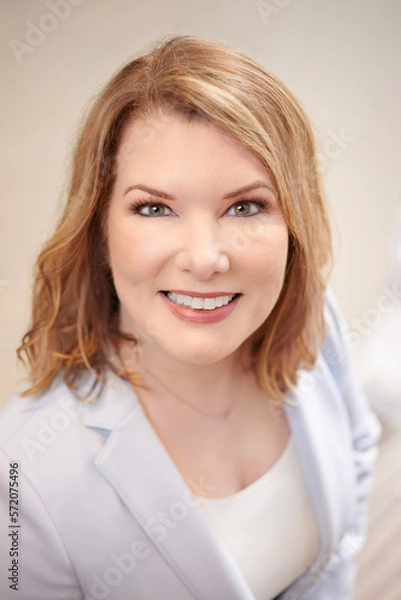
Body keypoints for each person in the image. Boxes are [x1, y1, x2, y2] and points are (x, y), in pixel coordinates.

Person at [0, 35, 381, 600]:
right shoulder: (20, 472)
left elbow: (356, 455)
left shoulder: (313, 321)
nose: (204, 259)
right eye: (154, 208)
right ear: (99, 229)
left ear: (292, 225)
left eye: (245, 206)